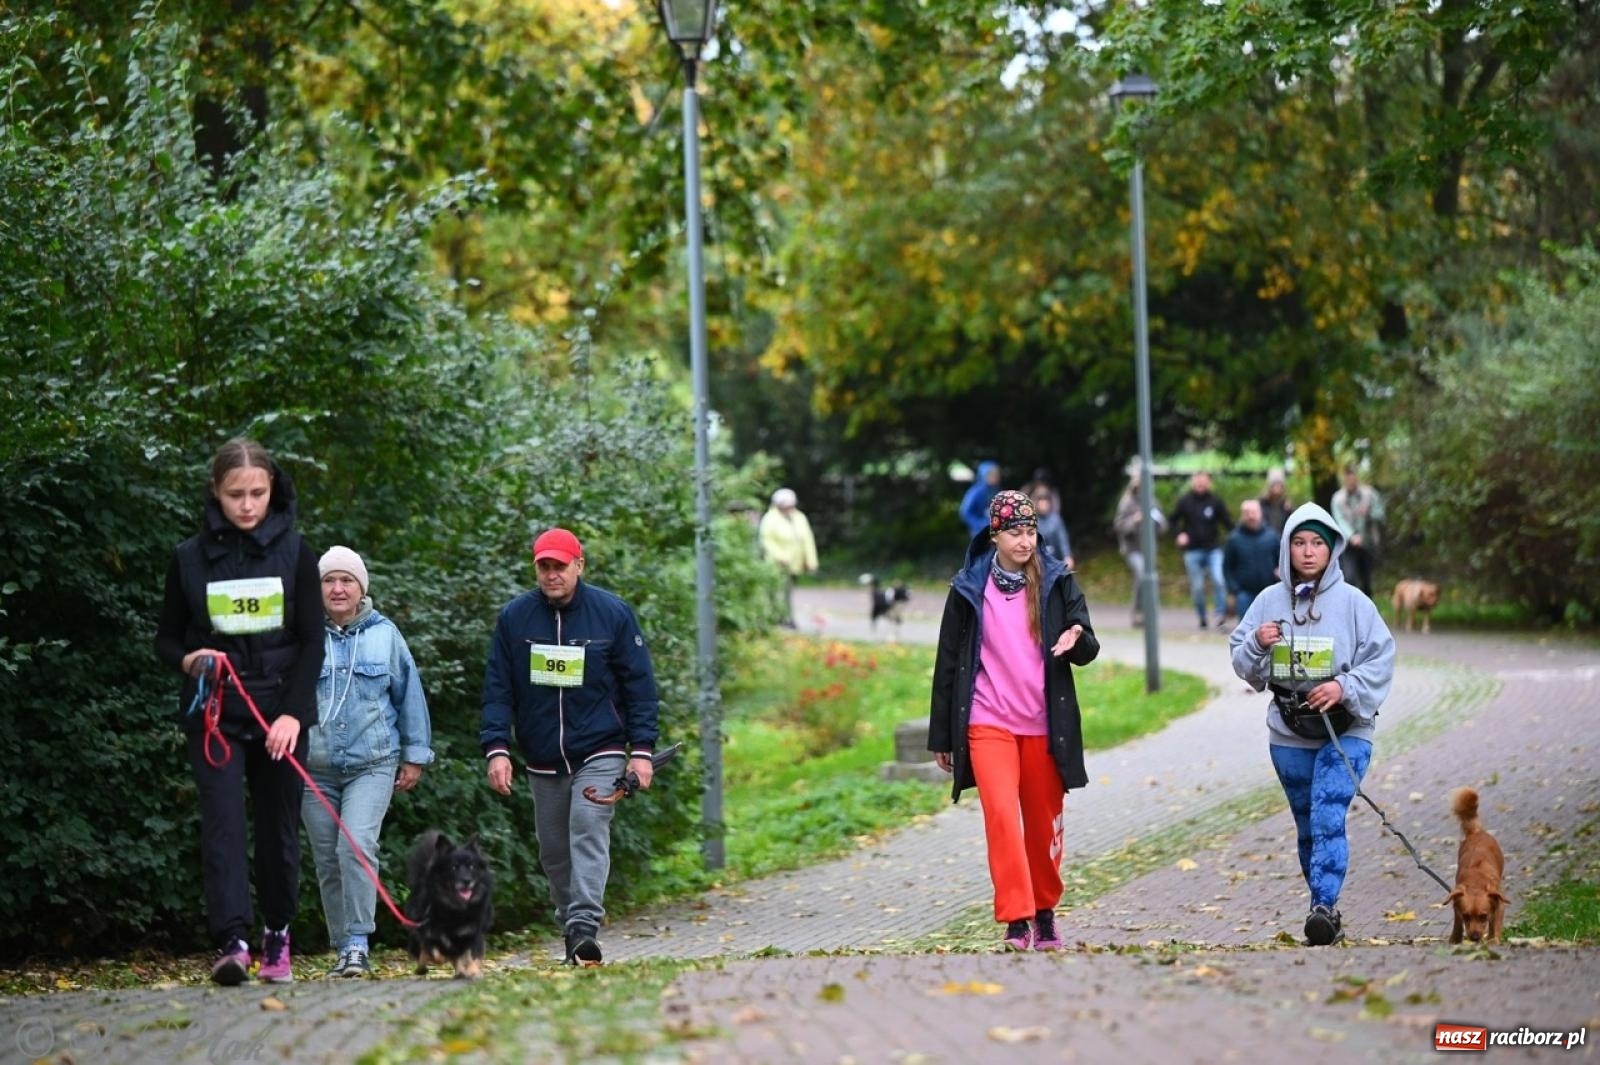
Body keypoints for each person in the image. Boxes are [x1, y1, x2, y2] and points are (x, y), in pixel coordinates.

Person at [153, 438, 323, 985]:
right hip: (216, 715)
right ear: (215, 494)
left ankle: (277, 934)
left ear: (274, 491)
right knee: (223, 828)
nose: (247, 505)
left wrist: (294, 715)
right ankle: (232, 941)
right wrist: (188, 659)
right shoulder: (188, 559)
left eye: (257, 493)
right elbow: (165, 640)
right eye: (235, 495)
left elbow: (313, 643)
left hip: (281, 718)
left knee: (278, 832)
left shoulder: (298, 554)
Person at [928, 490, 1100, 953]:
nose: (1025, 541)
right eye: (1015, 532)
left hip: (1045, 723)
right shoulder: (967, 587)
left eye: (1030, 532)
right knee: (1002, 815)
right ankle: (1016, 918)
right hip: (988, 722)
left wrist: (1076, 637)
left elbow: (1087, 643)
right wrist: (942, 735)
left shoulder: (1057, 581)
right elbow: (948, 663)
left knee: (1042, 824)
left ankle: (1044, 912)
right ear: (995, 534)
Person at [481, 527, 660, 966]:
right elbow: (498, 687)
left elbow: (640, 686)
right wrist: (497, 747)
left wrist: (641, 750)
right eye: (544, 565)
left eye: (560, 565)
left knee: (588, 827)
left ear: (579, 565)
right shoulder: (515, 618)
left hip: (600, 747)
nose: (552, 574)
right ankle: (573, 934)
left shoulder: (612, 614)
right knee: (554, 852)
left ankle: (584, 925)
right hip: (542, 755)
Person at [1228, 503, 1395, 946]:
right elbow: (1243, 664)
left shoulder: (1355, 604)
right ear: (1286, 547)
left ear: (1332, 548)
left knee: (1327, 812)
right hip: (1288, 733)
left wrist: (1343, 687)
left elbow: (1382, 657)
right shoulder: (1268, 601)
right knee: (1307, 823)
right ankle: (1324, 908)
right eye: (1299, 542)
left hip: (1347, 731)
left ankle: (1323, 905)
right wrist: (1258, 644)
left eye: (1317, 543)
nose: (1307, 552)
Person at [301, 546, 434, 978]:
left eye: (347, 581)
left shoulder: (385, 635)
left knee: (354, 846)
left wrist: (415, 755)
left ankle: (358, 943)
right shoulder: (302, 635)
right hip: (312, 769)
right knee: (326, 858)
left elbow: (409, 694)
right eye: (328, 580)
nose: (337, 588)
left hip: (372, 764)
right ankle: (342, 946)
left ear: (361, 588)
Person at [1172, 471, 1233, 629]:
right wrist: (1179, 535)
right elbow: (1172, 520)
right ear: (1193, 482)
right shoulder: (1185, 501)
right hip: (1193, 550)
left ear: (1208, 483)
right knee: (1197, 586)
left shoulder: (1215, 501)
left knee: (1219, 580)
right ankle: (1201, 615)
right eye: (1198, 481)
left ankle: (1220, 614)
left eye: (1203, 481)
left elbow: (1227, 523)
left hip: (1213, 549)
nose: (1200, 484)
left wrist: (1234, 539)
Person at [757, 487, 819, 627]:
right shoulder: (770, 518)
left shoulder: (800, 517)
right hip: (776, 564)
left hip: (794, 564)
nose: (789, 509)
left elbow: (807, 540)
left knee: (788, 592)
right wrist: (780, 556)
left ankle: (787, 617)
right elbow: (766, 541)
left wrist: (811, 561)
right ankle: (774, 617)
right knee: (774, 592)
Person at [1113, 470, 1166, 626]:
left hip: (1149, 549)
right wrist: (1135, 520)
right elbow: (1119, 526)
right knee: (1143, 574)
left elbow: (1163, 525)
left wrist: (1158, 522)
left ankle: (1148, 613)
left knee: (1147, 580)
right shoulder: (1127, 502)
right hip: (1132, 548)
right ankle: (1138, 612)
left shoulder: (1152, 501)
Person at [1330, 463, 1385, 597]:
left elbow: (1381, 515)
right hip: (1348, 545)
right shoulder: (1337, 498)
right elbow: (1339, 520)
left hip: (1367, 543)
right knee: (1349, 578)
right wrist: (1352, 536)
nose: (1351, 482)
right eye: (1348, 479)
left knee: (1366, 580)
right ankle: (1350, 609)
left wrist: (1368, 513)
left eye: (1353, 478)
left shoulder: (1370, 494)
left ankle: (1367, 610)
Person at [1222, 500, 1280, 621]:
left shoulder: (1272, 537)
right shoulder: (1233, 539)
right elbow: (1227, 567)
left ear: (1260, 514)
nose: (1251, 516)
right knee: (1245, 630)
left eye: (1254, 512)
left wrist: (1279, 573)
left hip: (1268, 592)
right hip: (1244, 593)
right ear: (1242, 515)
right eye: (1247, 513)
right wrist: (1234, 589)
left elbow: (1281, 561)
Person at [1026, 481, 1075, 570]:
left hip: (1057, 558)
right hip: (1039, 561)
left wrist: (1067, 555)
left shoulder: (1056, 519)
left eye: (1045, 500)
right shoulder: (1031, 521)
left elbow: (1062, 538)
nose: (1043, 504)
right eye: (1040, 500)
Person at [959, 460, 1002, 538]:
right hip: (979, 532)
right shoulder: (976, 491)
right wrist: (979, 524)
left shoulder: (996, 490)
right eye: (991, 474)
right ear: (984, 475)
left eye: (997, 474)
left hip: (995, 530)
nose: (995, 477)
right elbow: (964, 512)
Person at [1258, 468, 1293, 534]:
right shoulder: (1261, 503)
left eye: (1279, 484)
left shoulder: (1286, 506)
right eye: (1274, 484)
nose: (1277, 487)